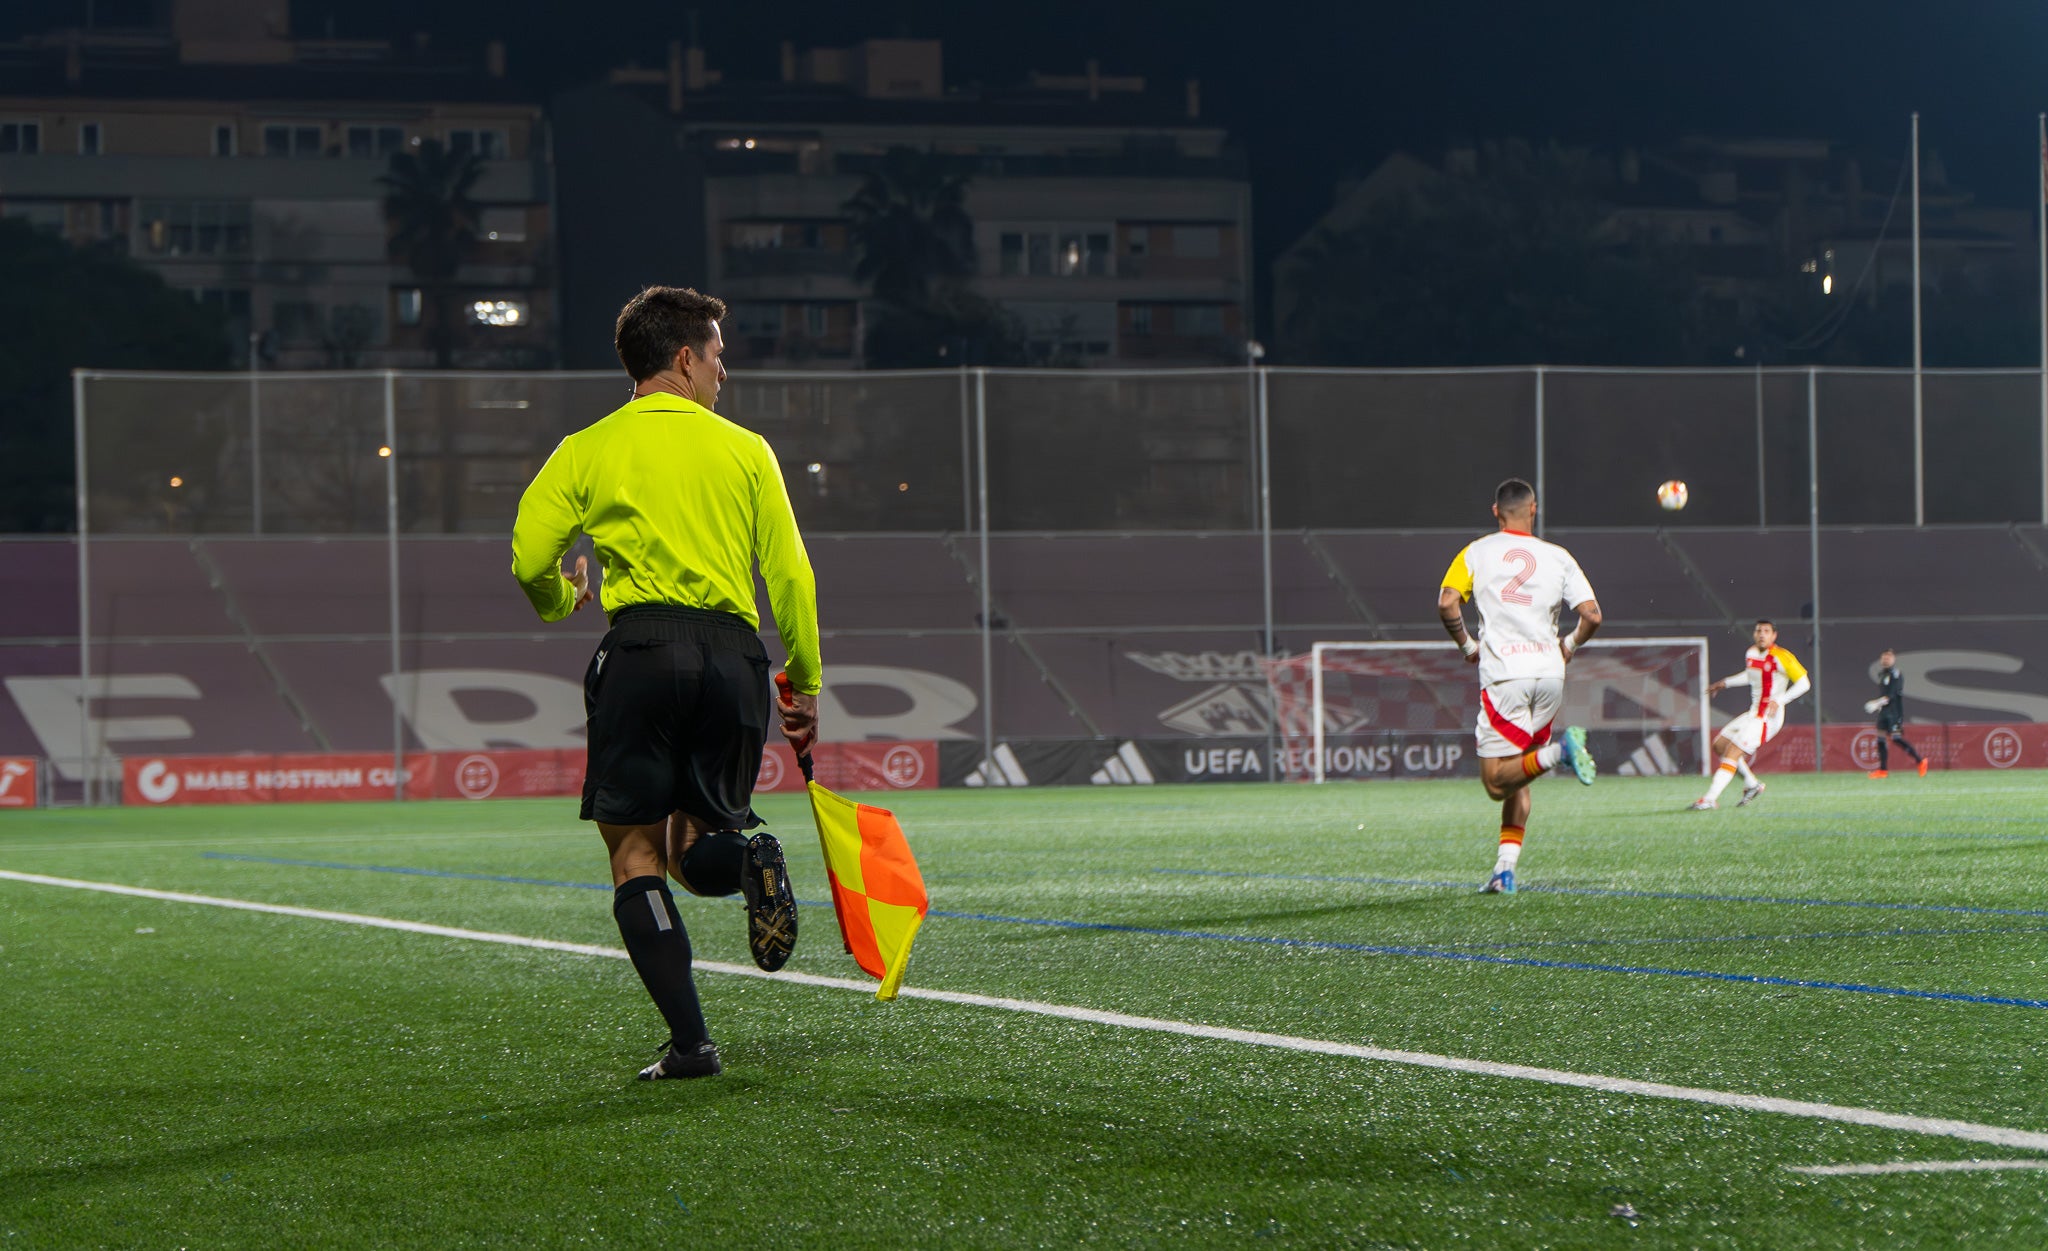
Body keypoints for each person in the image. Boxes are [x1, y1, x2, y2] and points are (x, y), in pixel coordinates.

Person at [512, 285, 821, 1081]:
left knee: (637, 854)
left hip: (644, 651)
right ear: (685, 358)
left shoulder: (586, 447)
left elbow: (528, 556)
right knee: (695, 851)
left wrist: (560, 599)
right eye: (718, 356)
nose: (723, 372)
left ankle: (693, 1045)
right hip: (734, 658)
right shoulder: (747, 449)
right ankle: (747, 860)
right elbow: (790, 571)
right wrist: (804, 680)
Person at [1438, 478, 1602, 895]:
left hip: (1506, 674)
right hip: (1549, 674)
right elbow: (1592, 615)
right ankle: (1504, 870)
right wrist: (1569, 645)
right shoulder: (1559, 556)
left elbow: (1447, 602)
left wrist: (1467, 647)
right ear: (1534, 509)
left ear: (1495, 511)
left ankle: (1561, 752)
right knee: (1517, 777)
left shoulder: (1476, 552)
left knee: (1496, 783)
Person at [1691, 620, 1806, 809]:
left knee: (1732, 752)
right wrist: (1725, 683)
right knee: (1720, 746)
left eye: (1766, 631)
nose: (1762, 634)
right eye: (1758, 630)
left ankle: (1709, 799)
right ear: (1754, 634)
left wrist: (1780, 700)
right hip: (1753, 713)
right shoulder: (1751, 653)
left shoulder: (1782, 656)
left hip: (1768, 719)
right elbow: (1751, 675)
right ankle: (1752, 785)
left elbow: (1804, 683)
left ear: (1774, 636)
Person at [1864, 648, 1926, 778]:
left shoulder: (1896, 674)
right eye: (1884, 657)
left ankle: (1920, 761)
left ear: (1893, 659)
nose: (1886, 659)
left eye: (1888, 657)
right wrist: (1879, 705)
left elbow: (1892, 695)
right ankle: (1883, 770)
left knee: (1896, 738)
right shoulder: (1881, 674)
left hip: (1894, 713)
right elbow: (1884, 693)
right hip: (1884, 711)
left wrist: (1877, 703)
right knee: (1880, 739)